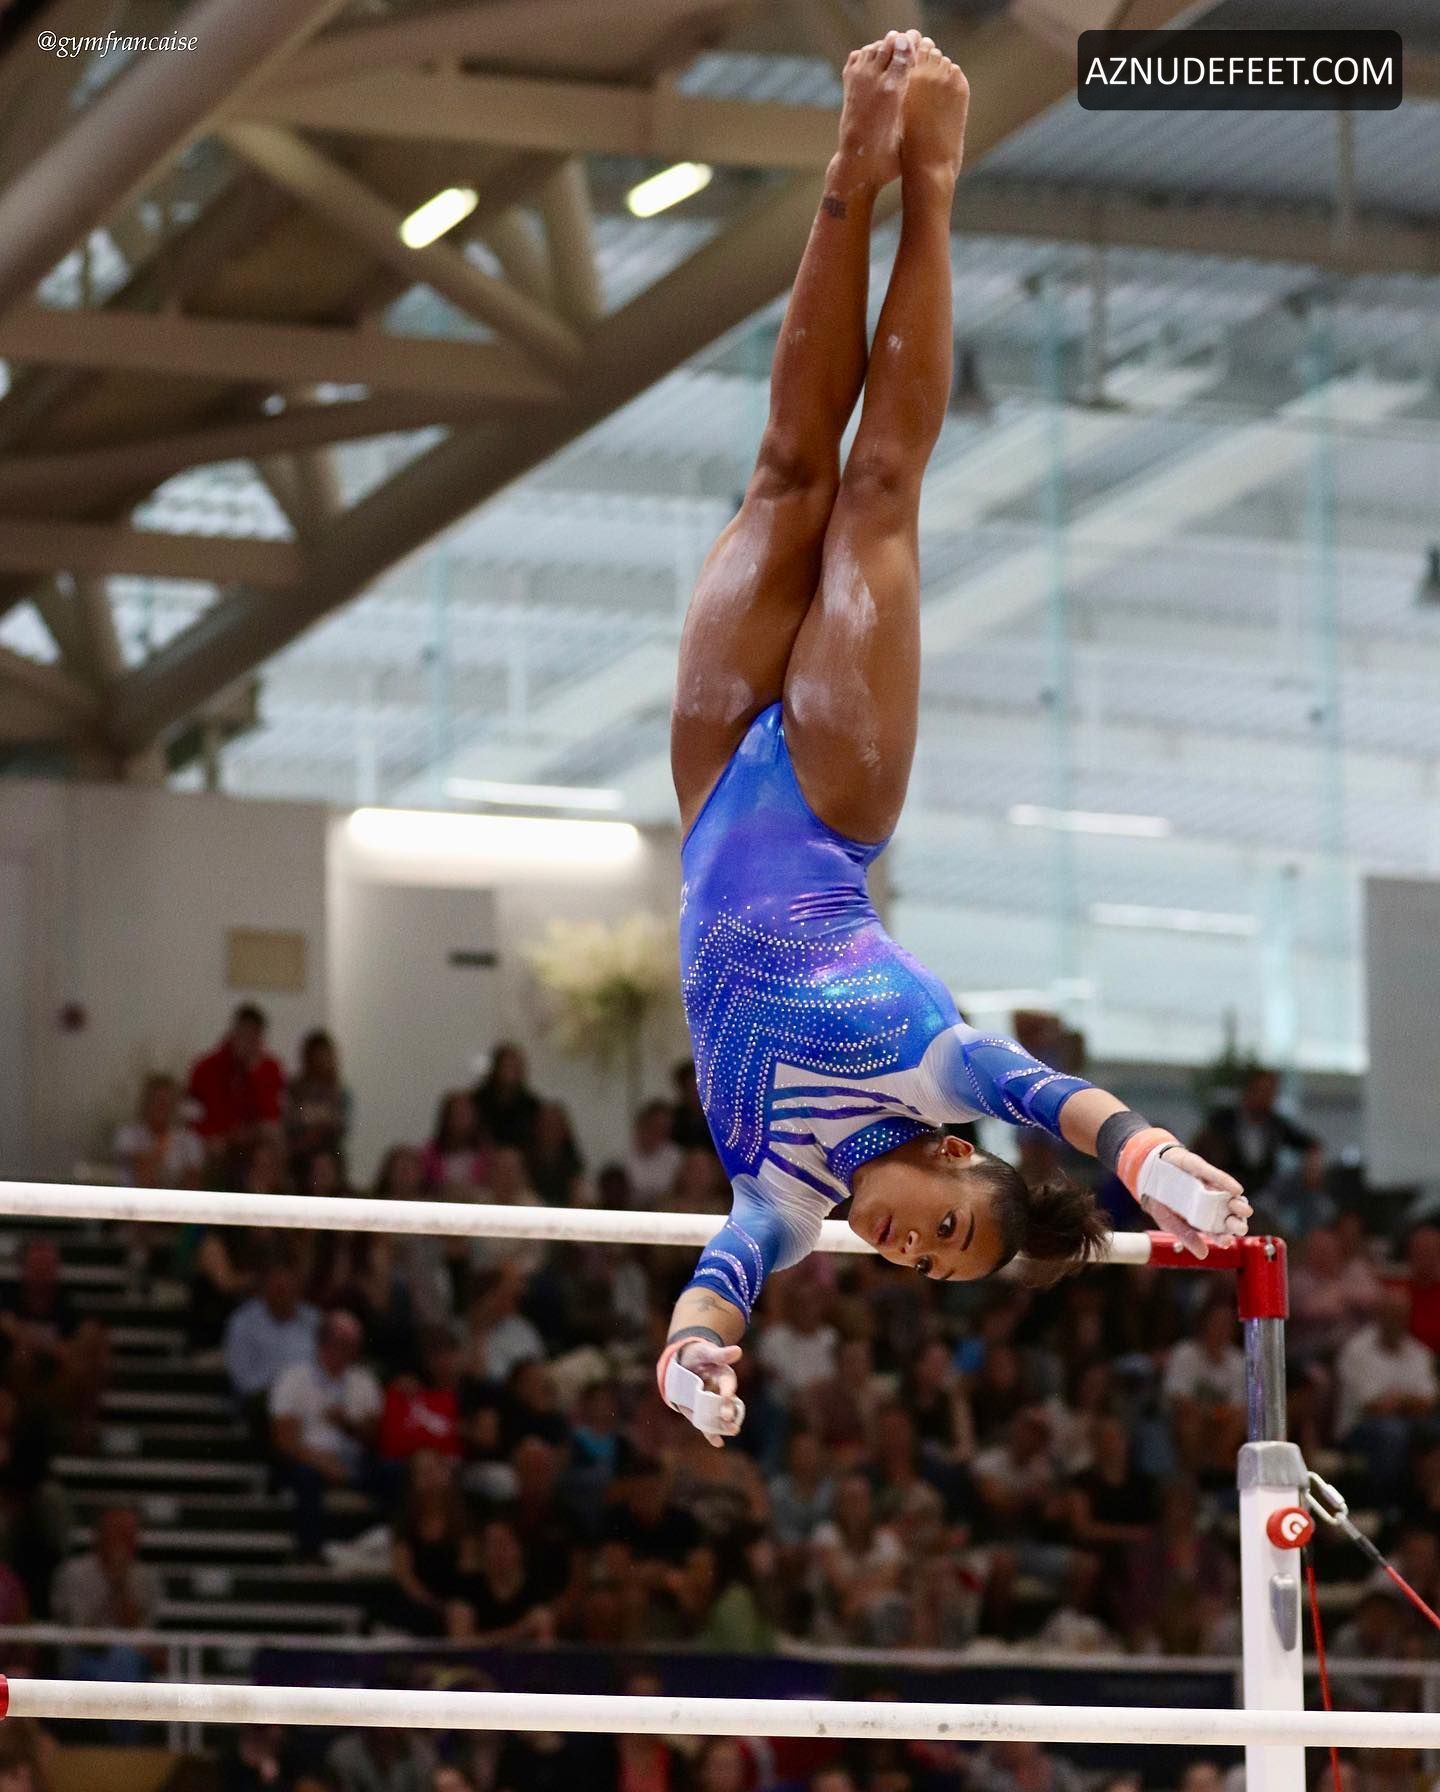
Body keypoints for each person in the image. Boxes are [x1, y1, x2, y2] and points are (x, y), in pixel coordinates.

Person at [655, 32, 1249, 1445]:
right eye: (948, 1229)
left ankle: (847, 166)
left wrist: (691, 1362)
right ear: (951, 1155)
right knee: (873, 488)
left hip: (712, 789)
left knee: (783, 471)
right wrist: (1157, 1166)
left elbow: (720, 1287)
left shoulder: (780, 1197)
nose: (912, 1250)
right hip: (828, 799)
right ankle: (928, 177)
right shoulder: (938, 1071)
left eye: (927, 1266)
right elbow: (1067, 1102)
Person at [269, 1310, 383, 1557]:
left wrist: (347, 1425)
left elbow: (375, 1436)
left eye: (353, 1346)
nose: (349, 1352)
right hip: (307, 1459)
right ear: (323, 1343)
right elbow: (284, 1440)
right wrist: (321, 1462)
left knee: (394, 1473)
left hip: (353, 1460)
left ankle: (387, 1544)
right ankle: (311, 1553)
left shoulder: (364, 1381)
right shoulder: (294, 1378)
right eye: (342, 1344)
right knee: (305, 1476)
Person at [187, 1004, 285, 1152]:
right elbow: (192, 1114)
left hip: (254, 1142)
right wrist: (212, 1135)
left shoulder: (270, 1068)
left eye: (253, 1036)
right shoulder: (205, 1068)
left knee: (273, 1134)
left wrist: (254, 1073)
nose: (247, 1042)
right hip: (216, 1140)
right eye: (244, 1034)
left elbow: (271, 1114)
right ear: (234, 1032)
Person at [113, 1072, 205, 1187]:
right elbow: (144, 1179)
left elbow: (193, 1185)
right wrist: (161, 1146)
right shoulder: (127, 1135)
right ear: (145, 1103)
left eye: (167, 1101)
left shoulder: (189, 1140)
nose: (162, 1107)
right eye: (157, 1101)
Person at [285, 1028, 351, 1170]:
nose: (321, 1061)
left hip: (329, 1153)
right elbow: (290, 1121)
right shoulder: (295, 1090)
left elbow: (341, 1126)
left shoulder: (340, 1093)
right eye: (318, 1056)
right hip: (300, 1155)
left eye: (325, 1056)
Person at [472, 1043, 540, 1150]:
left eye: (516, 1068)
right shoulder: (475, 1103)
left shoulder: (532, 1107)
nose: (512, 1073)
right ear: (496, 1068)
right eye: (508, 1067)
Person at [625, 1099, 684, 1205]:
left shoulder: (676, 1156)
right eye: (655, 1125)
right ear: (642, 1123)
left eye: (664, 1127)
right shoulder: (623, 1150)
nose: (659, 1131)